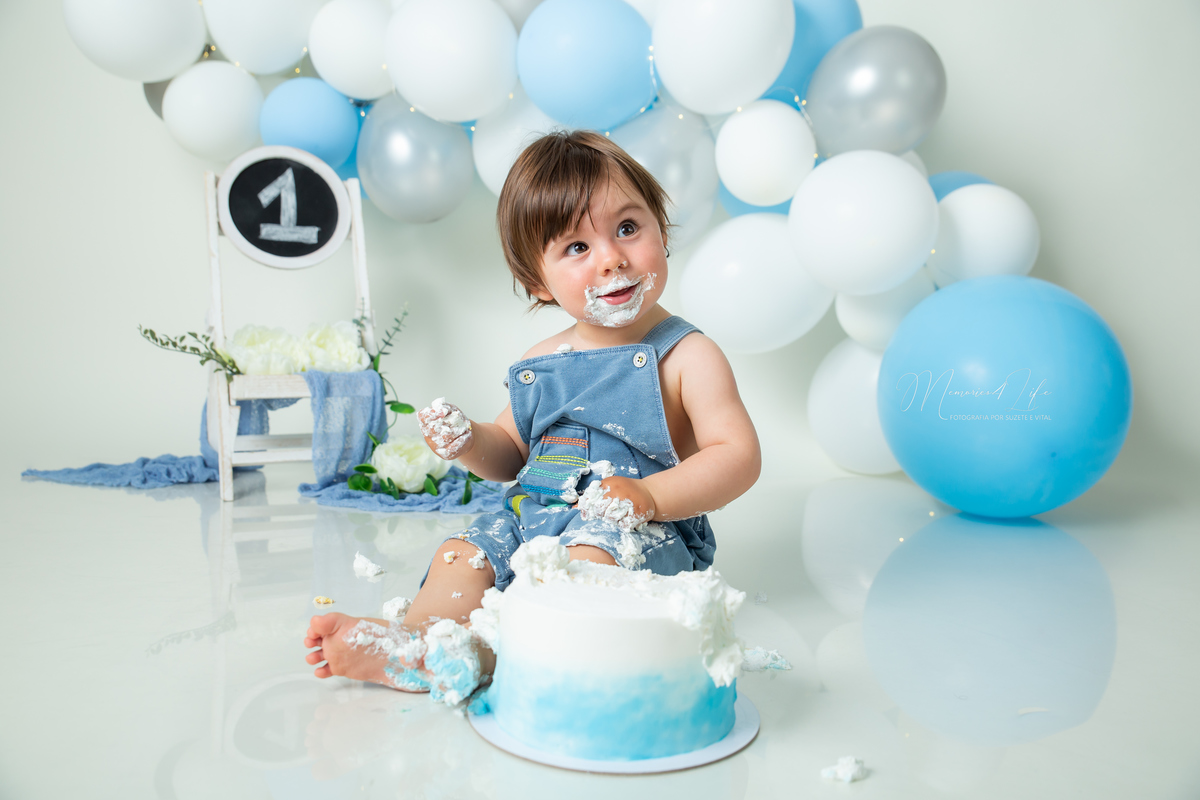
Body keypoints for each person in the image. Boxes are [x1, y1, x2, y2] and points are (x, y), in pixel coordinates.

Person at [303, 130, 761, 698]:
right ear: (537, 283)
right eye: (577, 248)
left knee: (587, 564)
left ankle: (497, 655)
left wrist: (651, 496)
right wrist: (470, 441)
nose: (612, 259)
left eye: (627, 228)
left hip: (635, 529)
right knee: (462, 554)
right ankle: (423, 641)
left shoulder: (687, 355)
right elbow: (510, 455)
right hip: (531, 518)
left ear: (661, 233)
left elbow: (736, 456)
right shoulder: (542, 362)